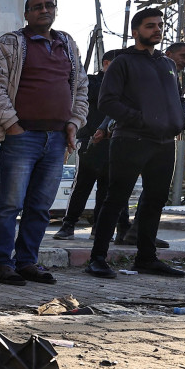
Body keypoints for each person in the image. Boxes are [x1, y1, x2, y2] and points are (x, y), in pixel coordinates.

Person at [0, 0, 88, 286]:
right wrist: (13, 126)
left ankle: (28, 262)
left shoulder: (67, 44)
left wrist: (74, 124)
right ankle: (2, 264)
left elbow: (81, 89)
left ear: (56, 10)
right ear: (26, 14)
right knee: (10, 204)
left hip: (56, 141)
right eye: (37, 7)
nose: (44, 10)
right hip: (22, 137)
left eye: (49, 5)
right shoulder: (11, 43)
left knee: (40, 207)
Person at [85, 8, 185, 279]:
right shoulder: (123, 62)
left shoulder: (167, 64)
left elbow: (175, 98)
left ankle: (146, 258)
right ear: (136, 31)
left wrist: (180, 120)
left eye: (159, 25)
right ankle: (97, 259)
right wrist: (140, 120)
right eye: (150, 26)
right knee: (116, 199)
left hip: (164, 142)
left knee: (155, 200)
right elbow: (107, 101)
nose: (157, 29)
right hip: (131, 139)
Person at [53, 49, 126, 241]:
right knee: (83, 186)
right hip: (90, 142)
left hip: (114, 143)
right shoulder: (92, 82)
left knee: (106, 188)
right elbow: (87, 96)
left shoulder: (124, 86)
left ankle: (98, 228)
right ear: (107, 64)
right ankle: (68, 225)